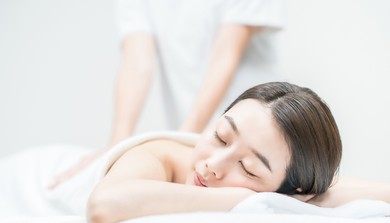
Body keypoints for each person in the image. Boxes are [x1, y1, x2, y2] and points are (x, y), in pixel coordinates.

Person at [48, 0, 286, 188]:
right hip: (198, 136)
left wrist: (178, 141)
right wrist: (116, 147)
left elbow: (226, 54)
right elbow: (137, 62)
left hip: (254, 126)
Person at [86, 82, 390, 223]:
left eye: (248, 168)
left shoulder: (297, 187)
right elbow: (103, 207)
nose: (212, 166)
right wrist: (254, 198)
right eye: (220, 136)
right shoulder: (158, 157)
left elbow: (330, 190)